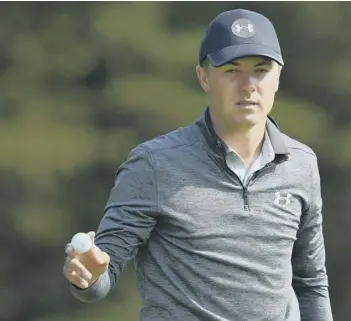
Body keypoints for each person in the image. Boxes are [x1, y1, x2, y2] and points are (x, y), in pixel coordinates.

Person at [63, 8, 333, 321]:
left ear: (277, 77)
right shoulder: (154, 164)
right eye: (232, 71)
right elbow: (100, 277)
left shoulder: (301, 164)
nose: (248, 85)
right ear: (204, 77)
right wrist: (85, 276)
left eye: (261, 70)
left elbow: (310, 283)